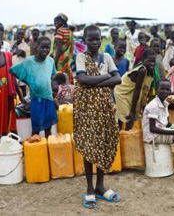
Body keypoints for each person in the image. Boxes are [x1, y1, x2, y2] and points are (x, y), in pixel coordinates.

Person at [74, 25, 121, 208]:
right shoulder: (81, 57)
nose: (94, 42)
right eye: (91, 39)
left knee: (102, 144)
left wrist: (96, 82)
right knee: (89, 145)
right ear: (84, 40)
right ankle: (89, 188)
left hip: (105, 108)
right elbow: (83, 80)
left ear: (102, 39)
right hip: (87, 110)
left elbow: (118, 79)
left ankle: (100, 186)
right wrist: (106, 77)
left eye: (97, 38)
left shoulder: (107, 57)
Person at [10, 36, 58, 138]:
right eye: (42, 47)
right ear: (37, 47)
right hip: (36, 98)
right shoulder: (29, 62)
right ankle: (34, 148)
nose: (45, 50)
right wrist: (28, 81)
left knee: (48, 128)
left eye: (47, 47)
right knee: (36, 128)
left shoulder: (51, 61)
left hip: (48, 98)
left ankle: (46, 150)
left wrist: (54, 95)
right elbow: (12, 71)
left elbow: (53, 75)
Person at [115, 48, 157, 130]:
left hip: (131, 91)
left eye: (153, 61)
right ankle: (123, 136)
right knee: (128, 117)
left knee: (133, 114)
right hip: (122, 92)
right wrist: (133, 111)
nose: (152, 64)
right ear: (143, 60)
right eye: (149, 61)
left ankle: (123, 135)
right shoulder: (142, 70)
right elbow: (137, 91)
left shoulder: (150, 71)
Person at [53, 13, 74, 84]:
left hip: (60, 60)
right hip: (67, 59)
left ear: (63, 22)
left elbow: (59, 49)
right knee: (66, 75)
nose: (56, 23)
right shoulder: (69, 31)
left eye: (58, 21)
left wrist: (54, 62)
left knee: (59, 79)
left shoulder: (60, 31)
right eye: (55, 21)